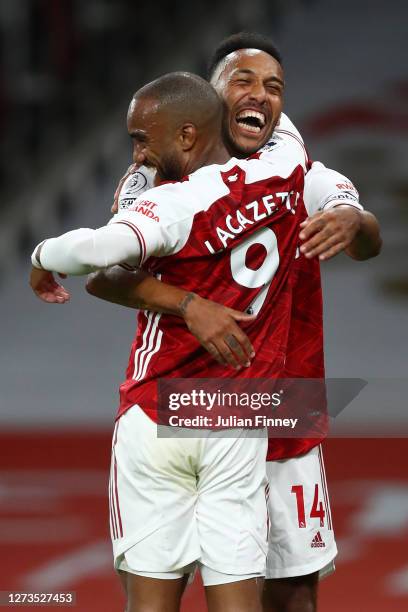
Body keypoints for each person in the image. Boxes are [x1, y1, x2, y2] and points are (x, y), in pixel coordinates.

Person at [29, 72, 374, 612]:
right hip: (241, 410)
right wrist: (192, 305)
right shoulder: (283, 167)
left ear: (188, 133)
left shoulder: (165, 204)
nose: (137, 154)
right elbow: (286, 130)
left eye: (142, 139)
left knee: (161, 598)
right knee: (256, 595)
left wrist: (41, 255)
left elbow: (94, 261)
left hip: (167, 405)